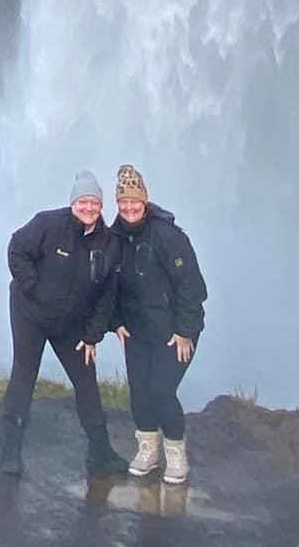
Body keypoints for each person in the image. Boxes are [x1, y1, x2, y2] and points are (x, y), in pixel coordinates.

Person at [0, 169, 125, 477]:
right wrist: (32, 286)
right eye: (83, 201)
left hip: (71, 324)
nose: (88, 208)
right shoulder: (48, 224)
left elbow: (108, 294)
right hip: (30, 313)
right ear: (73, 203)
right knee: (24, 373)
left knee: (85, 379)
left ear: (101, 205)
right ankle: (10, 452)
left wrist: (93, 335)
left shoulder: (108, 243)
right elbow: (17, 248)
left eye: (94, 202)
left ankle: (101, 452)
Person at [109, 162, 207, 485]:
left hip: (172, 332)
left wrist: (186, 331)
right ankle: (148, 448)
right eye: (123, 201)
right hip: (136, 331)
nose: (129, 207)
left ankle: (176, 453)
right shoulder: (114, 237)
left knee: (162, 389)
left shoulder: (168, 236)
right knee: (139, 389)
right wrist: (116, 321)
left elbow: (191, 287)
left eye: (134, 201)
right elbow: (107, 286)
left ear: (145, 200)